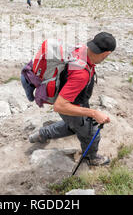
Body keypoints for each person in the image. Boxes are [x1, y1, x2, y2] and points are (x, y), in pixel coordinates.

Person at [28, 32, 116, 166]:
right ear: (106, 54)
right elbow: (59, 106)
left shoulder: (81, 49)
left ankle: (41, 134)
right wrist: (93, 113)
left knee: (73, 126)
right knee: (91, 133)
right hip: (71, 104)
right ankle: (91, 158)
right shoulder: (80, 74)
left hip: (73, 98)